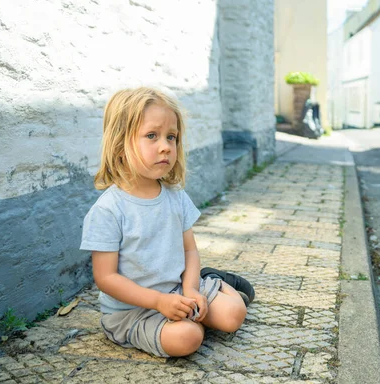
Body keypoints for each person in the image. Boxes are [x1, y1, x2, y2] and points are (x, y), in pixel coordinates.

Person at [80, 87, 255, 358]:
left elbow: (189, 250)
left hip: (177, 287)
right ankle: (207, 293)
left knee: (234, 315)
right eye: (152, 136)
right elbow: (106, 277)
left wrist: (190, 288)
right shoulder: (109, 210)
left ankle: (213, 280)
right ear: (119, 143)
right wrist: (159, 301)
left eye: (171, 137)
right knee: (188, 337)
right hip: (133, 310)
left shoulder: (175, 196)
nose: (165, 146)